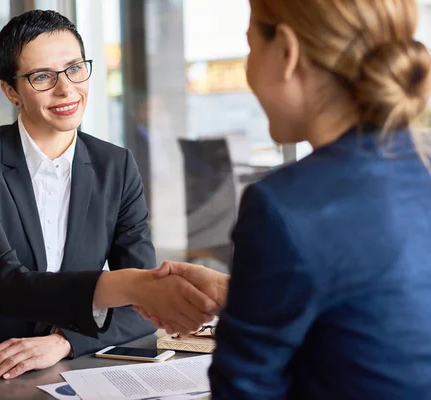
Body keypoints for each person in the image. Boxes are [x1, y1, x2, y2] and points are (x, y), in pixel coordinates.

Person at [0, 9, 219, 382]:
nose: (66, 89)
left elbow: (138, 307)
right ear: (11, 91)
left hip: (58, 368)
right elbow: (5, 284)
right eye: (42, 77)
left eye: (75, 69)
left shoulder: (116, 165)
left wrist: (65, 341)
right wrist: (135, 286)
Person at [145, 0, 431, 398]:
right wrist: (243, 293)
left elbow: (243, 392)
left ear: (286, 51)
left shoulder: (283, 207)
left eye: (250, 47)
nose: (247, 71)